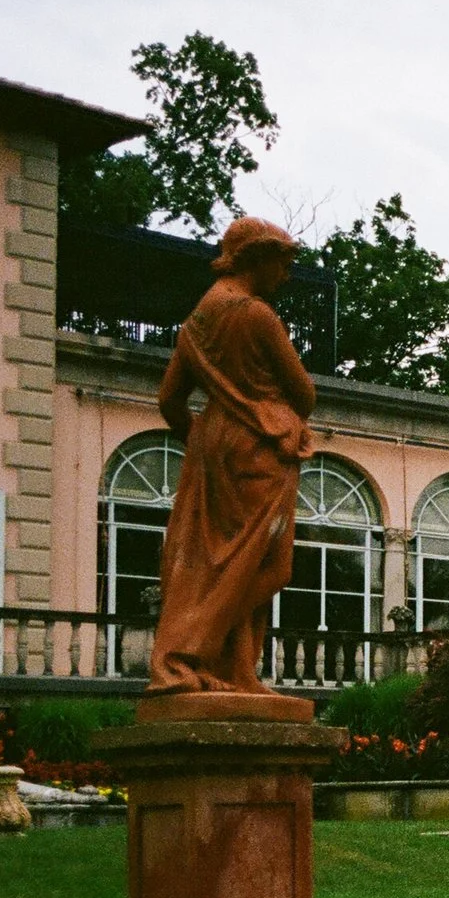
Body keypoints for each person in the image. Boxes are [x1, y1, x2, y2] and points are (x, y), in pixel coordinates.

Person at [147, 217, 318, 698]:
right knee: (266, 566)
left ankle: (236, 672)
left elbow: (169, 400)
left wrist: (202, 442)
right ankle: (189, 647)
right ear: (255, 259)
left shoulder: (196, 323)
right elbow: (304, 395)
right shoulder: (255, 314)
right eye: (281, 263)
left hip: (213, 440)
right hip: (261, 445)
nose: (285, 275)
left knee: (227, 561)